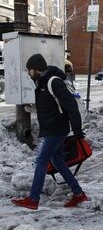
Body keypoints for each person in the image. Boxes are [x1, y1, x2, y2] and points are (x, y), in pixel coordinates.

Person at [11, 54, 89, 210]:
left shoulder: (54, 82)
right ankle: (79, 193)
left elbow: (70, 106)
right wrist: (32, 109)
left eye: (30, 70)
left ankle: (33, 199)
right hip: (53, 129)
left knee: (41, 161)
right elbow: (51, 106)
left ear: (37, 69)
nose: (29, 73)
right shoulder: (42, 83)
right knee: (58, 162)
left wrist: (77, 129)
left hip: (56, 129)